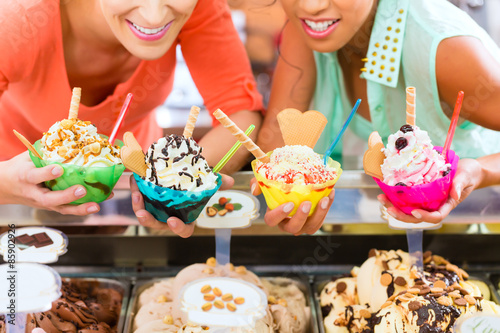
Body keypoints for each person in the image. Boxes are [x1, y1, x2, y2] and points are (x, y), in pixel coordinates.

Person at [0, 0, 263, 237]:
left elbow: (239, 114)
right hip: (14, 197)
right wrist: (6, 184)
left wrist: (178, 182)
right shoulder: (16, 20)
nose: (154, 16)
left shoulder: (198, 5)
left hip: (133, 194)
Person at [256, 0, 500, 232]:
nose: (311, 5)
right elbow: (275, 146)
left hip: (476, 229)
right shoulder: (305, 28)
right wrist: (284, 193)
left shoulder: (445, 48)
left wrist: (480, 170)